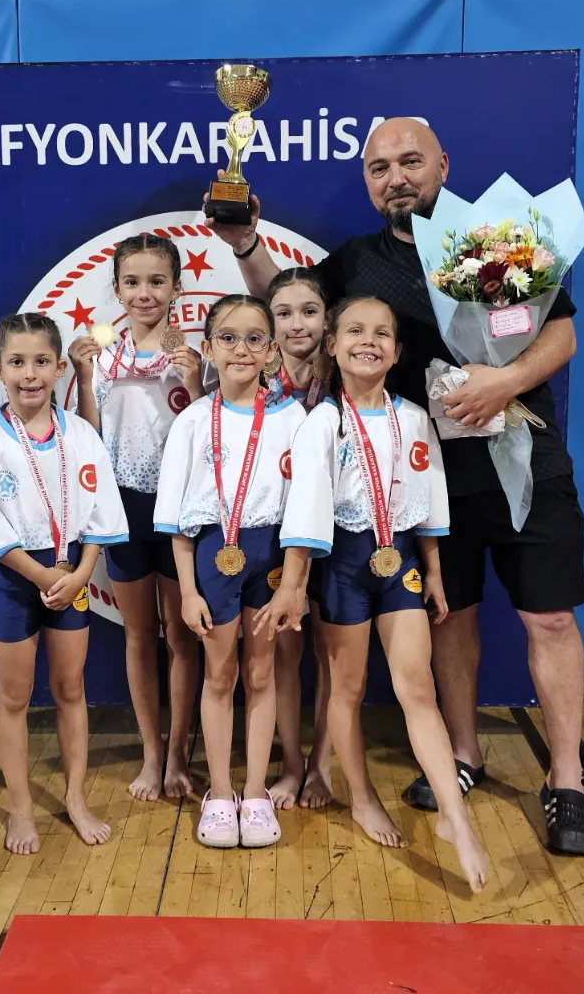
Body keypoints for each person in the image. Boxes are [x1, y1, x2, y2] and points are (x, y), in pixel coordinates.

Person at [205, 119, 584, 855]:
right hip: (427, 479)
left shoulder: (499, 242)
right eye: (379, 167)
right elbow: (288, 305)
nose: (396, 178)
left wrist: (505, 381)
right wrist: (245, 244)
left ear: (442, 164)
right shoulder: (356, 262)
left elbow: (562, 333)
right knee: (450, 618)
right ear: (367, 181)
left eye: (410, 162)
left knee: (549, 619)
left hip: (524, 462)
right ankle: (463, 753)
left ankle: (568, 781)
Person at [258, 295, 488, 892]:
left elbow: (428, 499)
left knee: (418, 688)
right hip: (343, 567)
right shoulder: (321, 423)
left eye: (382, 333)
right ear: (332, 346)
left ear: (397, 350)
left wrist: (433, 570)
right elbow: (306, 508)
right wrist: (293, 585)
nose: (369, 341)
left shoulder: (414, 418)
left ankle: (455, 817)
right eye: (355, 331)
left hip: (399, 562)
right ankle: (360, 797)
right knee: (348, 689)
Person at [0, 313, 129, 855]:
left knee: (70, 688)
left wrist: (78, 573)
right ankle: (21, 808)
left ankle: (75, 798)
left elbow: (102, 512)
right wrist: (40, 575)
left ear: (60, 368)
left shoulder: (81, 434)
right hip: (18, 577)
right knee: (13, 696)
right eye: (17, 362)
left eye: (40, 362)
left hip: (70, 570)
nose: (29, 374)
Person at [154, 295, 305, 848]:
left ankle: (256, 792)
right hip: (214, 556)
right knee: (220, 675)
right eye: (228, 338)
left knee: (261, 673)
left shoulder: (293, 419)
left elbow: (304, 509)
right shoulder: (194, 420)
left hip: (272, 556)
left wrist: (295, 582)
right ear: (209, 348)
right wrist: (187, 591)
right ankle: (220, 794)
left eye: (254, 338)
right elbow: (175, 519)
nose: (241, 349)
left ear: (271, 351)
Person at [69, 235, 203, 803]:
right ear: (117, 289)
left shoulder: (195, 355)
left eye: (156, 281)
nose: (144, 293)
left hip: (179, 509)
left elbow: (212, 430)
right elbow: (88, 438)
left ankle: (178, 753)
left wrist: (194, 380)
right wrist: (82, 378)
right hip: (123, 508)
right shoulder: (101, 359)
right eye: (132, 282)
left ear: (177, 287)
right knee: (139, 635)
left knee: (182, 635)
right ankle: (152, 752)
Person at [264, 268, 332, 810]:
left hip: (338, 536)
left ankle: (322, 766)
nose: (296, 324)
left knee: (332, 655)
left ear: (327, 319)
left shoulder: (350, 377)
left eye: (309, 311)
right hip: (273, 534)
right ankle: (290, 763)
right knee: (284, 654)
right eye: (283, 313)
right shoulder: (251, 383)